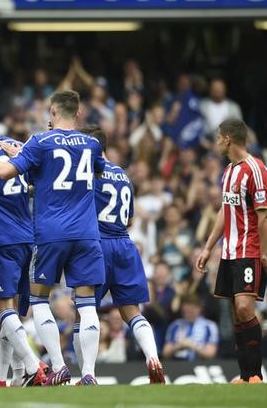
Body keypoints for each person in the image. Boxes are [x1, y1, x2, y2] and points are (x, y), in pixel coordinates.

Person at [0, 90, 106, 386]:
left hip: (51, 232)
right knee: (86, 303)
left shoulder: (40, 141)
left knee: (38, 298)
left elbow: (2, 172)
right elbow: (93, 174)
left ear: (52, 111)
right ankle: (88, 372)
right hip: (87, 233)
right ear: (78, 113)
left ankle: (59, 365)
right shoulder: (92, 144)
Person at [0, 101, 51, 388]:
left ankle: (33, 364)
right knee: (8, 310)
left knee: (2, 306)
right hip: (26, 236)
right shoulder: (17, 146)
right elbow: (35, 184)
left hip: (0, 237)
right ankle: (7, 375)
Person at [197, 117, 267, 383]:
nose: (215, 142)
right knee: (236, 312)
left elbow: (265, 215)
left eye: (217, 137)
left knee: (246, 308)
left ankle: (256, 374)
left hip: (250, 250)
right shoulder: (228, 172)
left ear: (227, 139)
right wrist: (209, 246)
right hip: (229, 252)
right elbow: (225, 210)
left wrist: (264, 255)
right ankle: (245, 376)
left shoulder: (255, 169)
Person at [78, 125, 164, 384]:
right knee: (132, 312)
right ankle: (153, 358)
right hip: (125, 244)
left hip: (98, 245)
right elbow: (129, 219)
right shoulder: (123, 174)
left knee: (84, 309)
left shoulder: (87, 173)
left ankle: (88, 373)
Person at [163, 294, 219, 361]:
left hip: (200, 364)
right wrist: (179, 346)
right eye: (186, 312)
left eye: (191, 311)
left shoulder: (210, 326)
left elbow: (210, 354)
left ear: (199, 309)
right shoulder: (175, 325)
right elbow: (165, 353)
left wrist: (192, 346)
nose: (188, 314)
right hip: (178, 363)